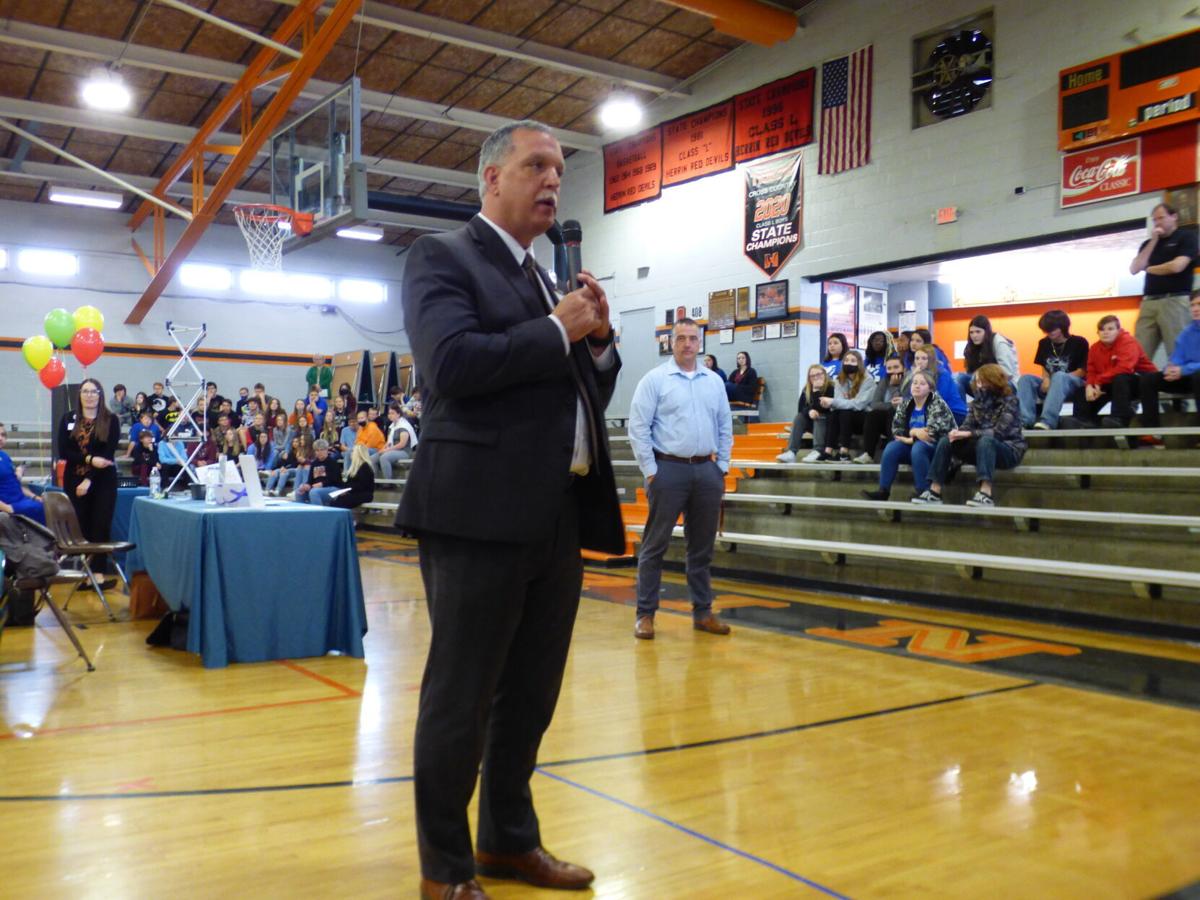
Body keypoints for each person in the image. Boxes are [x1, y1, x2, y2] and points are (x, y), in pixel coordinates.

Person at [394, 120, 623, 899]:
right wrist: (558, 329)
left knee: (529, 696)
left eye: (559, 168)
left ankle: (506, 841)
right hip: (476, 514)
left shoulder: (539, 280)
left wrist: (594, 344)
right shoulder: (441, 258)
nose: (552, 180)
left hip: (553, 513)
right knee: (460, 698)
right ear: (492, 178)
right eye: (536, 165)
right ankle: (445, 870)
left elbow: (567, 389)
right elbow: (452, 366)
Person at [629, 317, 732, 640]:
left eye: (693, 338)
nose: (687, 344)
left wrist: (722, 466)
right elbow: (638, 427)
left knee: (701, 548)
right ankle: (645, 614)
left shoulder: (713, 381)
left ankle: (703, 613)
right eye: (681, 338)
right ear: (671, 343)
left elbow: (725, 425)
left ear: (700, 342)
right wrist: (651, 470)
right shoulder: (655, 380)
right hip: (667, 470)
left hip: (706, 471)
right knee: (654, 545)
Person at [920, 364, 1026, 507]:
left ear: (993, 380)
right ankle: (934, 491)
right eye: (978, 382)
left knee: (986, 441)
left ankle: (986, 493)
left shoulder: (1011, 401)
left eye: (982, 381)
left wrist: (970, 433)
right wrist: (956, 433)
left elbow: (999, 433)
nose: (979, 385)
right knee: (947, 441)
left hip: (1009, 449)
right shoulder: (977, 403)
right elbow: (967, 425)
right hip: (983, 447)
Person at [58, 378, 120, 576]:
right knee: (81, 527)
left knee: (100, 526)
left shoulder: (111, 420)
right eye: (85, 391)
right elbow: (64, 452)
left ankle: (98, 575)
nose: (90, 395)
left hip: (102, 481)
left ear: (100, 395)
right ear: (80, 395)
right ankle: (85, 573)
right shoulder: (68, 419)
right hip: (73, 481)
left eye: (94, 391)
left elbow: (108, 454)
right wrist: (90, 459)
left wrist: (89, 479)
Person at [861, 369, 954, 501]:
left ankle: (924, 491)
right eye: (914, 383)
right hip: (913, 445)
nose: (917, 385)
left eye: (922, 384)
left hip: (935, 449)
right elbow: (897, 430)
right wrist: (915, 433)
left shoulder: (937, 404)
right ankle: (883, 491)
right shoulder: (905, 405)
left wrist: (912, 435)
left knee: (919, 447)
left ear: (930, 388)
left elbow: (932, 433)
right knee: (892, 447)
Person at [1128, 202, 1198, 361]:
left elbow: (1177, 266)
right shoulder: (1147, 244)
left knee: (1178, 354)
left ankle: (1181, 385)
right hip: (1149, 302)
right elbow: (1134, 268)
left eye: (1161, 218)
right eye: (1154, 220)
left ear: (1174, 217)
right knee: (1138, 355)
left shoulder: (1186, 237)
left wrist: (1149, 269)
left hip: (1174, 300)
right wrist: (1153, 240)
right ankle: (1143, 384)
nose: (1157, 223)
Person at [1074, 315, 1157, 427]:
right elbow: (1091, 370)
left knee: (1121, 378)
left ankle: (1119, 418)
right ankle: (1082, 422)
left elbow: (1125, 368)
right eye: (1102, 329)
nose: (1105, 332)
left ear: (1118, 330)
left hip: (1142, 383)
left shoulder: (1128, 342)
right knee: (1081, 391)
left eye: (1110, 329)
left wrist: (1098, 381)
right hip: (1111, 384)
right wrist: (1090, 385)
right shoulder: (1094, 348)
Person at [1016, 309, 1090, 430]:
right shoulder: (1044, 343)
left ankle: (1048, 421)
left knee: (1059, 376)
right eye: (1046, 329)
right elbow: (1044, 366)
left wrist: (1056, 379)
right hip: (1051, 382)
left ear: (1063, 327)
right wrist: (1045, 379)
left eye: (1053, 329)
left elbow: (1082, 371)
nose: (1049, 332)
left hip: (1074, 383)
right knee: (1026, 379)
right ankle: (1024, 421)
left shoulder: (1079, 342)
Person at [1139, 291, 1200, 428]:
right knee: (1149, 379)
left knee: (1198, 376)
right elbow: (1176, 359)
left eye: (1199, 305)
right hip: (1187, 377)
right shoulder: (1187, 333)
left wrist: (1183, 370)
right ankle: (1151, 428)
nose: (1195, 309)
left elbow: (1184, 368)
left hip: (1195, 375)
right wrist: (1170, 370)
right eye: (1192, 305)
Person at [817, 349, 872, 461]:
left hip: (864, 418)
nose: (849, 363)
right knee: (835, 413)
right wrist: (840, 402)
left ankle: (844, 452)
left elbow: (859, 404)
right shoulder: (839, 379)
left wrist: (834, 402)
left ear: (859, 363)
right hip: (845, 417)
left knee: (844, 411)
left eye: (853, 360)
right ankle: (828, 451)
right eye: (846, 360)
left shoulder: (868, 380)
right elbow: (839, 403)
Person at [776, 364, 833, 463]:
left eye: (818, 374)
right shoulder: (806, 389)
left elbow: (824, 409)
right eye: (812, 376)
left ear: (824, 374)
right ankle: (791, 452)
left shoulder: (831, 387)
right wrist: (809, 411)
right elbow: (801, 408)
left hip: (827, 424)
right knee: (799, 417)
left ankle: (818, 450)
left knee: (819, 415)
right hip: (812, 424)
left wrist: (816, 391)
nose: (816, 378)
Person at [857, 354, 907, 463]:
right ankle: (868, 454)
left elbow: (905, 404)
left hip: (905, 420)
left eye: (896, 367)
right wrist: (891, 404)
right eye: (889, 368)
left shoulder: (909, 381)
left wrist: (895, 387)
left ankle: (892, 451)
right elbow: (875, 404)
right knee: (873, 414)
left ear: (903, 368)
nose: (893, 371)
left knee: (892, 412)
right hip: (886, 418)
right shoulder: (884, 382)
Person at [956, 315, 1018, 397]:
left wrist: (986, 378)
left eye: (978, 332)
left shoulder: (998, 342)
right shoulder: (970, 347)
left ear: (986, 331)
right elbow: (970, 373)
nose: (974, 335)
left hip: (1006, 384)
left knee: (965, 379)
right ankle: (961, 409)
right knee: (958, 378)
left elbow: (1008, 373)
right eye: (971, 332)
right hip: (981, 383)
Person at [904, 344, 968, 424]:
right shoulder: (917, 375)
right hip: (932, 412)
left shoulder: (942, 374)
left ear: (931, 359)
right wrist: (912, 377)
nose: (919, 362)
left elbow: (940, 399)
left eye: (924, 358)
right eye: (917, 358)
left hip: (954, 412)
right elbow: (907, 394)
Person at [0, 422, 45, 524]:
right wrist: (8, 508)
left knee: (48, 504)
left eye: (3, 435)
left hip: (21, 501)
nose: (0, 438)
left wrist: (35, 497)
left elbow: (15, 484)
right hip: (9, 506)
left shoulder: (5, 456)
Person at [327, 443, 374, 510]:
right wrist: (344, 489)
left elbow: (362, 485)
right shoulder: (354, 467)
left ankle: (342, 519)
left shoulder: (365, 467)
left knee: (339, 501)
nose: (351, 453)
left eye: (353, 451)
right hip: (355, 492)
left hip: (364, 494)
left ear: (358, 454)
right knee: (335, 500)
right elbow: (350, 483)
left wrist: (348, 490)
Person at [296, 439, 342, 504]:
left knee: (314, 492)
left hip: (333, 488)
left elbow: (335, 480)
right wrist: (307, 485)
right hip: (316, 488)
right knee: (299, 492)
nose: (319, 452)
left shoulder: (333, 462)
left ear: (326, 450)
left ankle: (318, 513)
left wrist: (322, 484)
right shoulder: (314, 463)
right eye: (317, 450)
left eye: (322, 450)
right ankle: (302, 513)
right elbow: (310, 480)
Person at [378, 404, 418, 478]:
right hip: (392, 450)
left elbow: (402, 444)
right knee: (373, 458)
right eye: (389, 413)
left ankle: (388, 483)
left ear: (398, 414)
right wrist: (383, 449)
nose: (390, 415)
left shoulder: (404, 425)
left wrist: (387, 450)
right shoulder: (391, 426)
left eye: (392, 413)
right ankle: (374, 482)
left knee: (384, 457)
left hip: (404, 452)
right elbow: (389, 442)